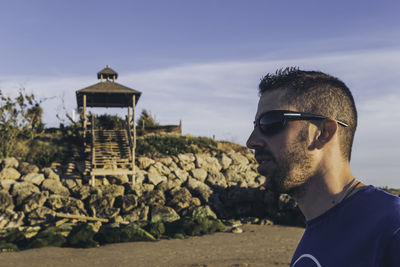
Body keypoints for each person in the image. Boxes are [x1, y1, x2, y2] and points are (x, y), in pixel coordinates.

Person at [246, 67, 400, 266]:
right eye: (255, 125)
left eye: (270, 122)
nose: (251, 141)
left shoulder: (392, 229)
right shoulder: (316, 231)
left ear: (324, 133)